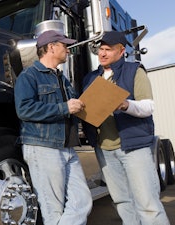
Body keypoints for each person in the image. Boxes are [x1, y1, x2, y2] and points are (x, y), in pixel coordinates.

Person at [82, 31, 170, 225]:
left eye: (108, 49)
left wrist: (125, 105)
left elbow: (148, 107)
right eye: (101, 49)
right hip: (104, 150)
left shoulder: (135, 71)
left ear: (121, 52)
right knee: (122, 201)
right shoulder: (89, 79)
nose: (103, 53)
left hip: (133, 147)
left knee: (147, 203)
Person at [14, 30, 92, 225]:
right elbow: (24, 110)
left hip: (67, 147)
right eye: (64, 45)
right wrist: (65, 107)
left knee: (83, 200)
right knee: (53, 211)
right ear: (51, 47)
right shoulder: (29, 76)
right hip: (43, 148)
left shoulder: (63, 80)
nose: (68, 49)